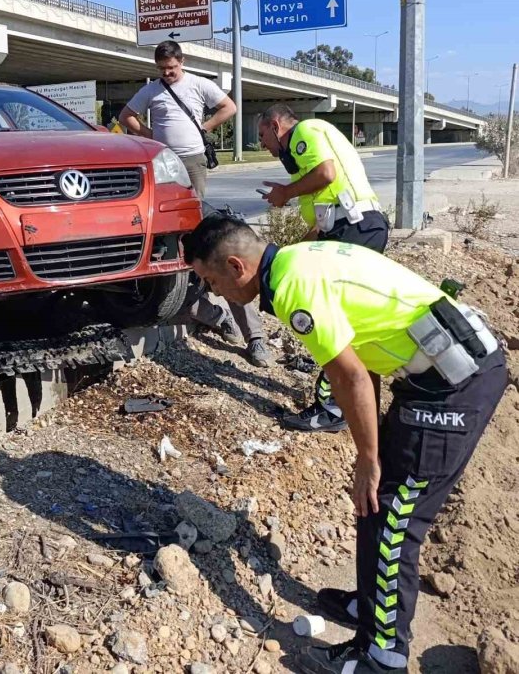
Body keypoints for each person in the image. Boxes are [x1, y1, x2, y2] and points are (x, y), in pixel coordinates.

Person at [183, 216, 507, 674]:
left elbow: (348, 375)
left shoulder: (294, 288)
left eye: (210, 281)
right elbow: (361, 361)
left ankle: (383, 655)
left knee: (395, 513)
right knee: (376, 506)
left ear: (236, 267)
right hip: (436, 374)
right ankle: (374, 605)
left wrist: (368, 458)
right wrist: (370, 453)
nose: (213, 293)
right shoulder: (294, 262)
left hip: (457, 382)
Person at [119, 40, 272, 368]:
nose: (167, 74)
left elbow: (228, 107)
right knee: (175, 252)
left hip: (192, 162)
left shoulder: (198, 85)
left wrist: (204, 128)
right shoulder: (153, 90)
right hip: (162, 162)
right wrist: (149, 135)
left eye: (171, 68)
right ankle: (215, 316)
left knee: (206, 237)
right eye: (162, 69)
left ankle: (255, 337)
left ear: (181, 62)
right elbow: (126, 116)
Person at [258, 103, 388, 433]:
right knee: (351, 320)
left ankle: (333, 408)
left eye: (262, 136)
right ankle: (361, 402)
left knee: (334, 319)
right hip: (351, 228)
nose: (262, 144)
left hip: (355, 228)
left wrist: (285, 193)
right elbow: (324, 216)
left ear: (276, 126)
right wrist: (299, 250)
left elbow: (327, 174)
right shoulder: (308, 151)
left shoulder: (305, 132)